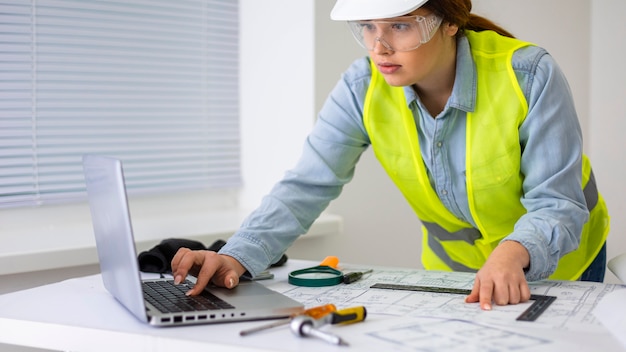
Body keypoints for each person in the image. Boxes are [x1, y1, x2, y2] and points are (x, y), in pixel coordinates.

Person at [172, 0, 610, 310]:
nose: (379, 47)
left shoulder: (529, 74)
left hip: (559, 267)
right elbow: (305, 185)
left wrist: (514, 252)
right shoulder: (362, 87)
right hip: (454, 275)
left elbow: (558, 204)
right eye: (367, 26)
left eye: (399, 26)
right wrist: (237, 256)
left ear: (449, 20)